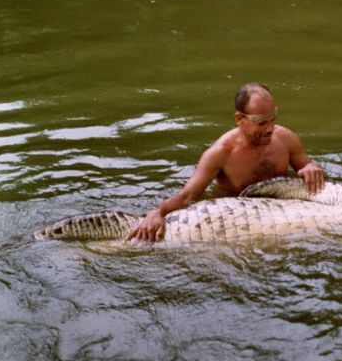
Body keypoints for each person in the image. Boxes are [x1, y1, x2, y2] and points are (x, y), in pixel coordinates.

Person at [126, 82, 324, 242]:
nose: (270, 129)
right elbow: (187, 196)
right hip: (239, 222)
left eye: (273, 120)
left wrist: (311, 167)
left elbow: (306, 166)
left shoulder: (286, 138)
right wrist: (157, 212)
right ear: (239, 118)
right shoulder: (220, 154)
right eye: (261, 123)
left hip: (284, 215)